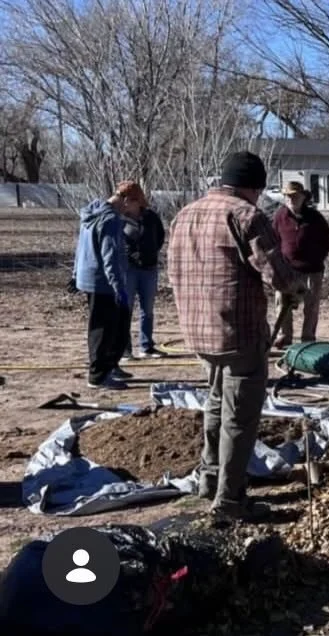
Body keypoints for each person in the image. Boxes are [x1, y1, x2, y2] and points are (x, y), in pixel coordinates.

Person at [168, 151, 306, 522]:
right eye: (259, 190)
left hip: (198, 332)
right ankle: (229, 502)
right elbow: (275, 272)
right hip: (238, 333)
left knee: (215, 401)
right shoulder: (245, 215)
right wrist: (297, 286)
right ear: (253, 187)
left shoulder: (186, 214)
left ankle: (209, 479)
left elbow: (172, 271)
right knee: (240, 417)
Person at [74, 181, 144, 390]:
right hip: (104, 283)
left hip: (90, 278)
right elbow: (110, 257)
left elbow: (81, 247)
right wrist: (118, 287)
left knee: (112, 327)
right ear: (126, 200)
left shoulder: (93, 212)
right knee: (103, 330)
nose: (135, 210)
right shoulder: (111, 219)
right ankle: (97, 377)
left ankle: (110, 366)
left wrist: (75, 272)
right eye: (135, 205)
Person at [271, 181, 329, 349]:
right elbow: (273, 241)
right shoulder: (279, 216)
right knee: (282, 305)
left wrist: (318, 257)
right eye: (287, 196)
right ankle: (284, 337)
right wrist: (278, 264)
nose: (291, 199)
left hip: (312, 270)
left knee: (311, 307)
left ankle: (308, 339)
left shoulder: (315, 217)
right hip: (286, 270)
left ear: (303, 197)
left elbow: (328, 240)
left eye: (294, 196)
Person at [121, 204, 167, 359]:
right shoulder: (120, 218)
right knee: (125, 309)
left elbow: (160, 236)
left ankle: (146, 346)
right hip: (128, 269)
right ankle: (125, 349)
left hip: (149, 268)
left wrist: (151, 252)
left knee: (147, 310)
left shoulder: (151, 217)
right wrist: (129, 255)